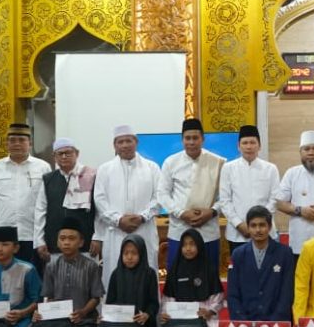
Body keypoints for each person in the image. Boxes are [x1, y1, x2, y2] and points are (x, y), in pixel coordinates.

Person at [94, 125, 162, 288]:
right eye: (120, 142)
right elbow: (99, 199)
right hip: (115, 231)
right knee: (114, 275)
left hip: (144, 229)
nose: (125, 145)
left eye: (128, 141)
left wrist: (142, 217)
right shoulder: (105, 169)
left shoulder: (152, 167)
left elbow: (160, 197)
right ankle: (114, 305)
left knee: (146, 274)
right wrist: (118, 220)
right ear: (114, 145)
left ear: (136, 142)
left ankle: (147, 305)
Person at [0, 123, 51, 272]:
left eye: (21, 140)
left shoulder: (43, 167)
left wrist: (44, 236)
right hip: (4, 235)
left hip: (32, 234)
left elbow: (47, 204)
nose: (17, 144)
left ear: (30, 143)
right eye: (12, 140)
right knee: (3, 277)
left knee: (31, 276)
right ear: (7, 143)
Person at [157, 118, 225, 272]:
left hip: (208, 231)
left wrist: (212, 211)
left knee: (208, 277)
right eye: (187, 138)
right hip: (179, 230)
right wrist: (181, 213)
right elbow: (162, 194)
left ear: (203, 139)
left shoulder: (217, 162)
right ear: (182, 140)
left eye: (195, 138)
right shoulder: (171, 162)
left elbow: (226, 196)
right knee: (178, 276)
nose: (191, 142)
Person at [37, 216, 103, 327]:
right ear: (57, 242)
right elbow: (48, 297)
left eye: (71, 238)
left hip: (84, 322)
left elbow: (96, 297)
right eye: (62, 238)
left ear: (81, 242)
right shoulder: (51, 266)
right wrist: (42, 313)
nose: (66, 242)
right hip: (58, 322)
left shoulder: (91, 266)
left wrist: (83, 312)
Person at [160, 229, 225, 327]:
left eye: (192, 244)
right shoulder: (175, 269)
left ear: (199, 246)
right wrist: (167, 313)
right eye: (184, 245)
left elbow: (218, 298)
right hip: (178, 316)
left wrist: (209, 311)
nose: (188, 248)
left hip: (203, 315)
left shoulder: (208, 268)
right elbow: (168, 298)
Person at [218, 124, 280, 257]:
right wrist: (239, 224)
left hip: (266, 231)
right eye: (245, 143)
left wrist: (260, 224)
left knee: (269, 268)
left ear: (259, 146)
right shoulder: (228, 168)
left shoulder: (271, 169)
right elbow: (225, 200)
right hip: (238, 233)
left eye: (252, 142)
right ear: (238, 146)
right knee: (241, 268)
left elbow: (275, 199)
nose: (249, 146)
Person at [34, 137, 97, 265]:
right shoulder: (48, 179)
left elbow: (99, 211)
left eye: (68, 153)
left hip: (86, 244)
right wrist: (39, 241)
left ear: (77, 153)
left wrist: (98, 238)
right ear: (54, 157)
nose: (64, 156)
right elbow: (40, 211)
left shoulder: (91, 176)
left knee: (87, 276)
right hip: (55, 244)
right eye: (60, 153)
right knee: (57, 277)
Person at [227, 206, 295, 321]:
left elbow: (287, 293)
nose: (258, 230)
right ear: (248, 227)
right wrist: (243, 323)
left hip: (277, 322)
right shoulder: (238, 254)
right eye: (253, 226)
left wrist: (273, 324)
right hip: (245, 324)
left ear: (270, 226)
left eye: (262, 225)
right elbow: (233, 294)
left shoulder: (285, 253)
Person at [105, 234, 160, 327]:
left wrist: (146, 315)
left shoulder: (149, 274)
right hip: (121, 325)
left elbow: (154, 303)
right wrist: (107, 315)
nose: (129, 257)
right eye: (126, 253)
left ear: (141, 253)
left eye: (134, 253)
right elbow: (110, 302)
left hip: (143, 325)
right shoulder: (116, 274)